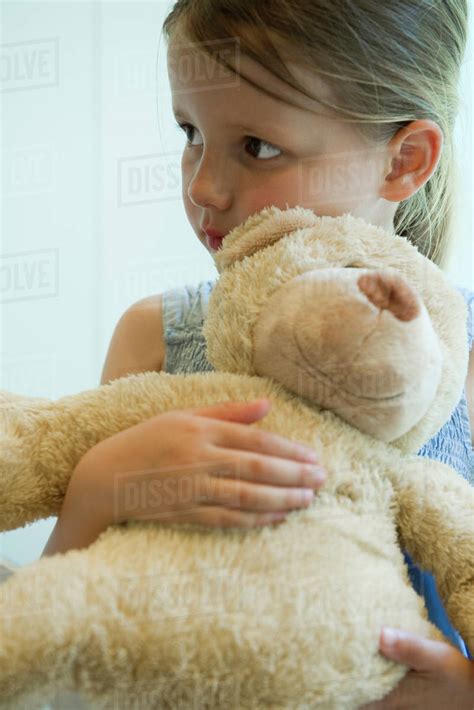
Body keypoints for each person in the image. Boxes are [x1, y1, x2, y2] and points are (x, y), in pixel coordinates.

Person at [42, 1, 474, 706]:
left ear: (405, 160)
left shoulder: (465, 359)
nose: (203, 186)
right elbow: (64, 658)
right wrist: (98, 487)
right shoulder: (155, 337)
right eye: (190, 133)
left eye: (258, 147)